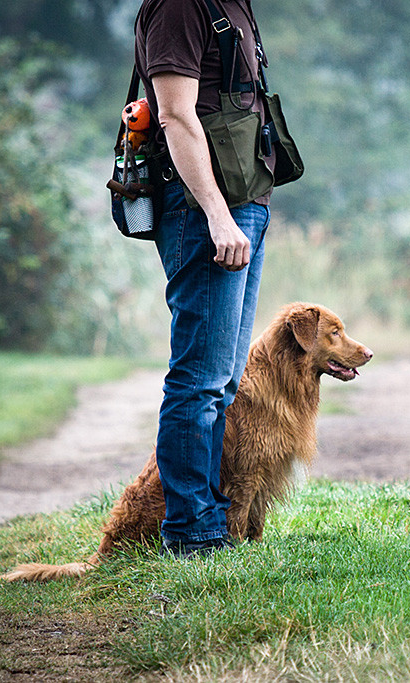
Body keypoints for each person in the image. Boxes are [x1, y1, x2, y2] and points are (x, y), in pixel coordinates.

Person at [135, 0, 277, 556]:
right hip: (205, 213)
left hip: (245, 206)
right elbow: (174, 115)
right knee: (199, 380)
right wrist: (217, 214)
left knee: (223, 381)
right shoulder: (179, 6)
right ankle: (192, 532)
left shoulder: (235, 4)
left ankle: (214, 521)